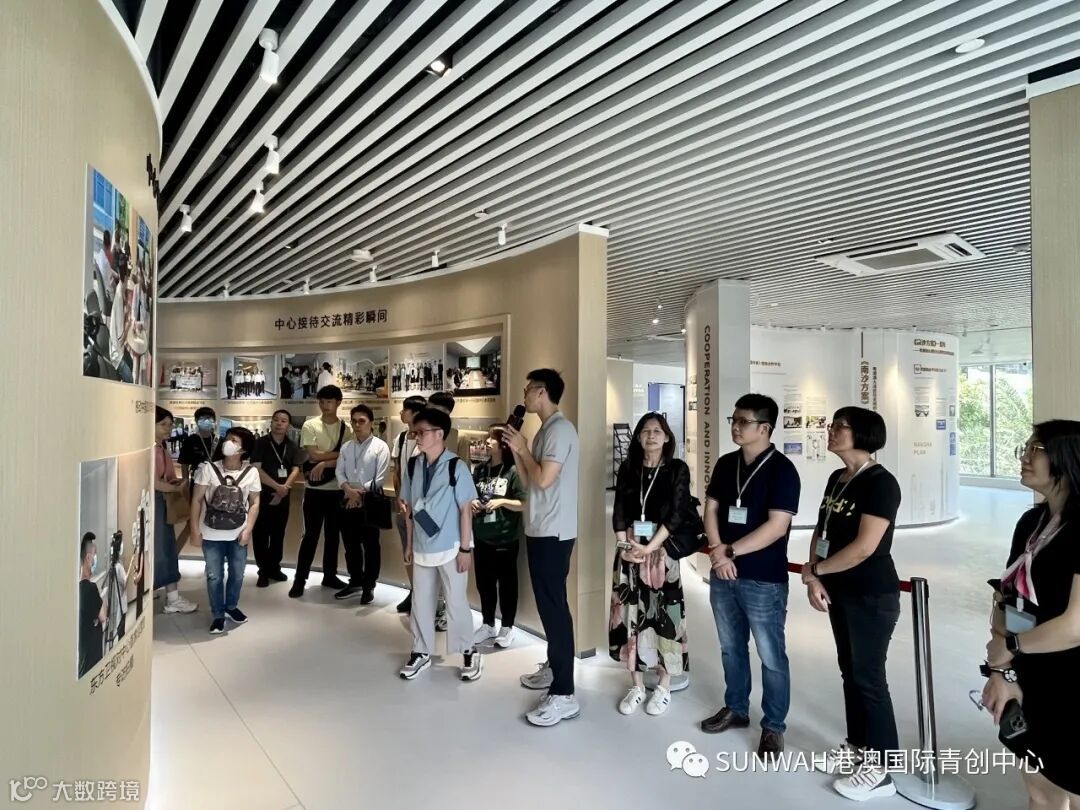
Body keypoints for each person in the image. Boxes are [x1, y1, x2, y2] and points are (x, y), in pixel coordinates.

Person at [799, 407, 902, 801]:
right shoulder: (837, 478)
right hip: (839, 589)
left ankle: (882, 768)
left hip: (871, 594)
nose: (831, 430)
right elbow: (822, 528)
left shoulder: (882, 483)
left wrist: (817, 569)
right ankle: (859, 746)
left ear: (864, 434)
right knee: (851, 672)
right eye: (833, 424)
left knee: (869, 678)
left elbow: (863, 548)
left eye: (840, 426)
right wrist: (815, 575)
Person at [979, 421, 1080, 807]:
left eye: (1035, 449)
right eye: (1025, 448)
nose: (1024, 457)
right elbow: (1008, 597)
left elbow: (1074, 626)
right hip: (1033, 675)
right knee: (1040, 789)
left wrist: (1010, 648)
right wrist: (1001, 670)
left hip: (1071, 682)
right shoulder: (1031, 523)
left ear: (1068, 457)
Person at [700, 394, 801, 759]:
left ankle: (773, 726)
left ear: (765, 428)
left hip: (763, 578)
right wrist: (717, 549)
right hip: (723, 574)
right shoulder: (726, 464)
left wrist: (730, 552)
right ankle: (737, 708)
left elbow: (777, 526)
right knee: (731, 647)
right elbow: (711, 509)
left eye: (744, 421)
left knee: (771, 655)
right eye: (734, 419)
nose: (736, 426)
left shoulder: (783, 470)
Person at [503, 369, 581, 727]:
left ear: (541, 391)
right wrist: (518, 451)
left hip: (553, 532)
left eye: (527, 389)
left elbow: (546, 479)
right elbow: (530, 479)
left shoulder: (560, 430)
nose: (524, 395)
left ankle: (565, 693)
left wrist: (523, 449)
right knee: (549, 607)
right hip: (539, 527)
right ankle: (555, 667)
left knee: (554, 608)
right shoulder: (544, 431)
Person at [609, 412, 698, 717]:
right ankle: (636, 684)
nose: (651, 435)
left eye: (657, 430)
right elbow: (619, 510)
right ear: (637, 437)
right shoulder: (628, 468)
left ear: (667, 436)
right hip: (630, 552)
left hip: (661, 552)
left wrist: (650, 546)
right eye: (645, 430)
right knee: (631, 615)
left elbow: (677, 513)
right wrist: (624, 547)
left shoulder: (677, 469)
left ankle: (664, 686)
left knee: (665, 617)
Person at [397, 408, 482, 682]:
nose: (417, 437)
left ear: (439, 434)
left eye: (421, 432)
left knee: (456, 602)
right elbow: (409, 509)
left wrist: (466, 549)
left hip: (451, 546)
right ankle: (421, 651)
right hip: (422, 546)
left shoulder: (457, 467)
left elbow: (466, 511)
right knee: (421, 602)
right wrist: (409, 545)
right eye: (415, 433)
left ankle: (469, 651)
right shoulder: (413, 466)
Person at [189, 426, 261, 635]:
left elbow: (255, 503)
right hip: (210, 532)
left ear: (243, 449)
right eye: (228, 438)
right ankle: (218, 614)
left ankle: (231, 606)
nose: (228, 443)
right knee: (214, 576)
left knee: (238, 574)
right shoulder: (208, 469)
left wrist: (248, 530)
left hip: (239, 532)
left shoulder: (251, 472)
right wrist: (194, 530)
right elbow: (196, 500)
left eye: (234, 441)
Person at [290, 385, 353, 598]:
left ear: (338, 403)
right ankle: (299, 580)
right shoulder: (310, 425)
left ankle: (330, 575)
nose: (325, 405)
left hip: (337, 490)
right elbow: (313, 454)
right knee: (310, 536)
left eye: (329, 401)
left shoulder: (346, 429)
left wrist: (325, 462)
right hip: (314, 491)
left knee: (333, 536)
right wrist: (335, 456)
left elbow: (346, 457)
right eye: (322, 401)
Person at [471, 424, 527, 648]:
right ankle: (487, 624)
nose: (487, 442)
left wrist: (502, 502)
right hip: (481, 535)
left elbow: (524, 503)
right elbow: (470, 495)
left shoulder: (513, 472)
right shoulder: (480, 470)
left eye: (492, 439)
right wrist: (473, 503)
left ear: (502, 444)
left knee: (507, 585)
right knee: (484, 583)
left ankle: (507, 627)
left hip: (505, 538)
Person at [335, 404, 391, 604]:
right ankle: (355, 581)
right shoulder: (346, 447)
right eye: (354, 421)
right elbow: (339, 472)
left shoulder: (380, 447)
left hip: (370, 502)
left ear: (371, 423)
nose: (357, 425)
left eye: (362, 421)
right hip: (348, 500)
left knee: (371, 546)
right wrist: (349, 491)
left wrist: (358, 494)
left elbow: (380, 478)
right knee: (350, 545)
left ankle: (369, 585)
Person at [250, 409, 302, 587]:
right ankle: (263, 571)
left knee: (278, 533)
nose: (279, 423)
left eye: (284, 421)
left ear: (289, 425)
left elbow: (296, 468)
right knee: (261, 534)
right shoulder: (261, 443)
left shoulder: (292, 445)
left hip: (284, 495)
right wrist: (277, 487)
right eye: (276, 420)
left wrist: (285, 487)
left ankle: (274, 567)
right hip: (263, 494)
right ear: (271, 422)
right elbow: (256, 468)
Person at [154, 407, 198, 614]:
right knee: (165, 548)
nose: (168, 428)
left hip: (160, 502)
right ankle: (172, 598)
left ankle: (157, 589)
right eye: (163, 424)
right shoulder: (152, 450)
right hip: (156, 503)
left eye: (170, 425)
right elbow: (152, 481)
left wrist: (174, 484)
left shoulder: (161, 447)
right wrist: (175, 488)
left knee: (164, 547)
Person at [391, 395, 427, 613]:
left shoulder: (427, 438)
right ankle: (415, 592)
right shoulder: (402, 437)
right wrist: (399, 497)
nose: (401, 413)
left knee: (427, 552)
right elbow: (397, 470)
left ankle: (429, 599)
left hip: (422, 508)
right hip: (404, 506)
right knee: (408, 551)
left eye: (405, 409)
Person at [78, 533, 107, 677]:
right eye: (95, 555)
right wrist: (102, 595)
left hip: (82, 661)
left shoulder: (77, 589)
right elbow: (103, 616)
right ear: (88, 558)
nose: (96, 558)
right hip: (92, 662)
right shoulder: (90, 589)